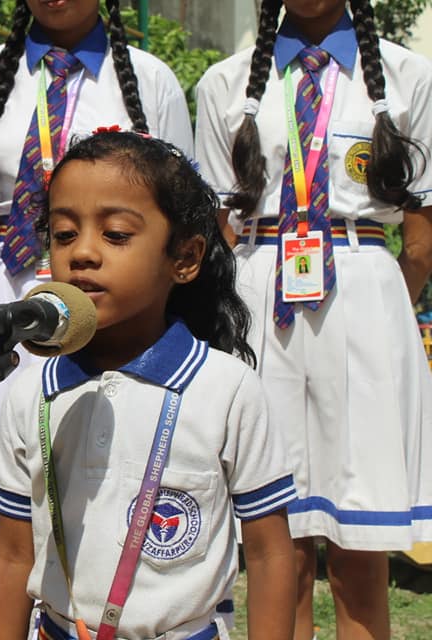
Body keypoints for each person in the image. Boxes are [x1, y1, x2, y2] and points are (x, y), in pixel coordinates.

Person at [0, 1, 193, 635]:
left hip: (108, 307)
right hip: (2, 294)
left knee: (95, 465)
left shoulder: (150, 80)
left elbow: (179, 207)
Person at [0, 129, 297, 640]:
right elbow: (12, 554)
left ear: (185, 258)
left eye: (115, 235)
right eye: (64, 234)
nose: (82, 253)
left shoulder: (227, 390)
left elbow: (268, 553)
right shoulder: (32, 392)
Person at [194, 0, 432, 637]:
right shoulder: (226, 81)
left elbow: (421, 236)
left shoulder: (410, 77)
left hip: (362, 280)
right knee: (277, 537)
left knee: (362, 541)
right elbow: (218, 224)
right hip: (261, 282)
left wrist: (380, 311)